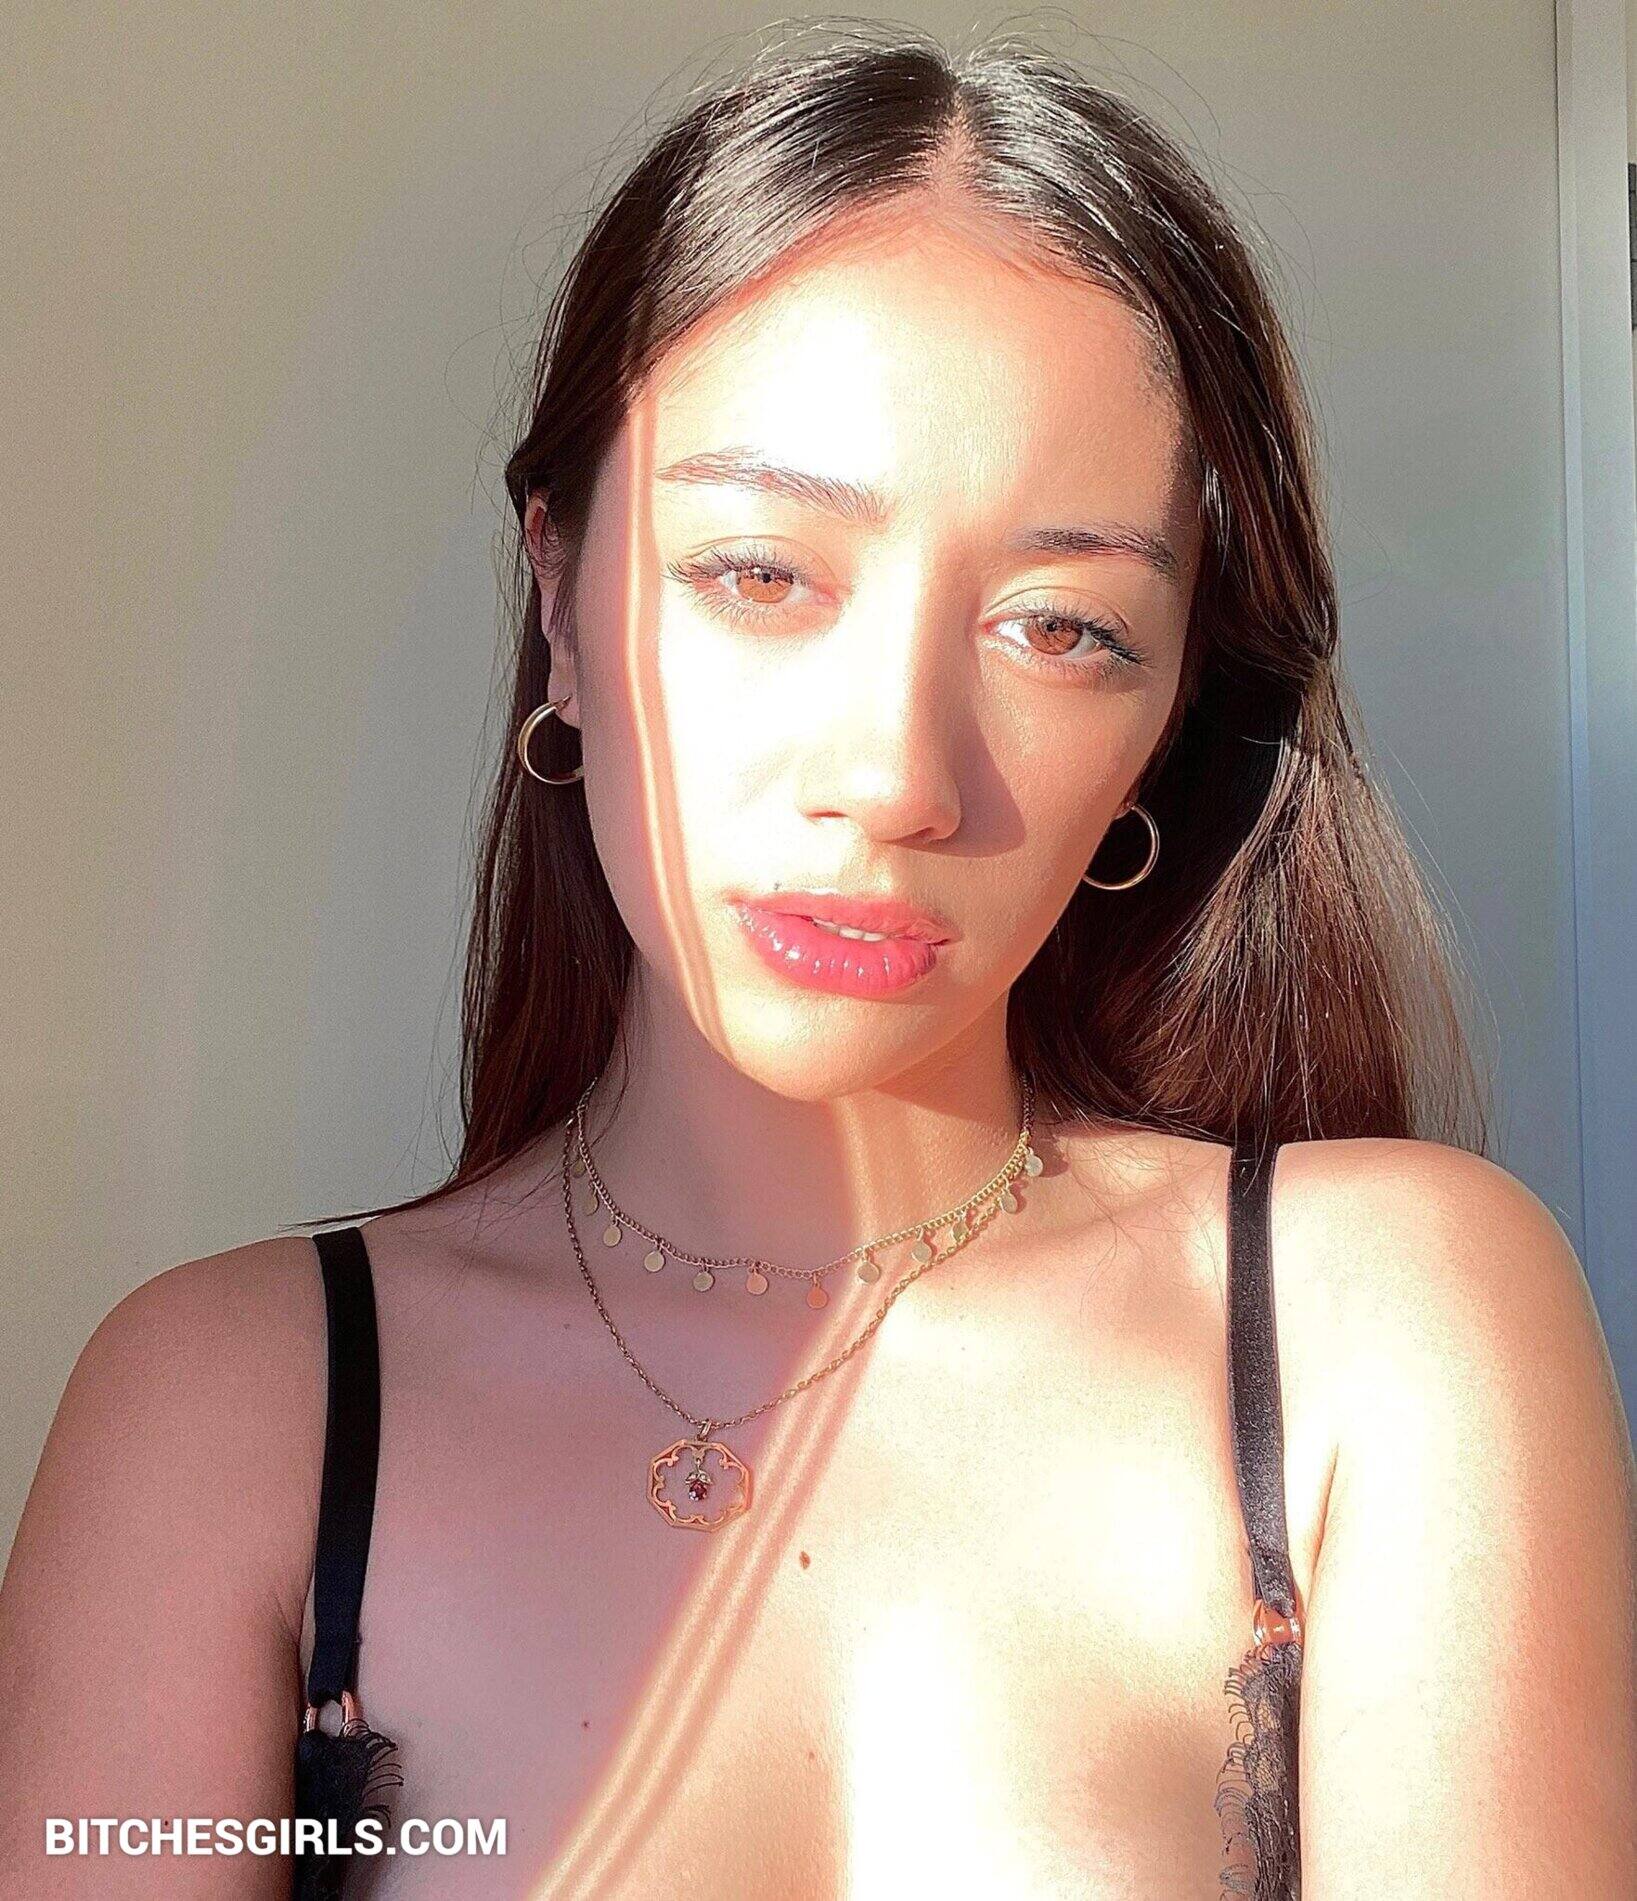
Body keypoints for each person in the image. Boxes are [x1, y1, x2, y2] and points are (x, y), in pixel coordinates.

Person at [2, 23, 1633, 1899]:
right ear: (560, 599)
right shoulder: (232, 1412)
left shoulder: (1377, 1330)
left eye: (1060, 626)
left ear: (1167, 720)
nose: (896, 775)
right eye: (761, 573)